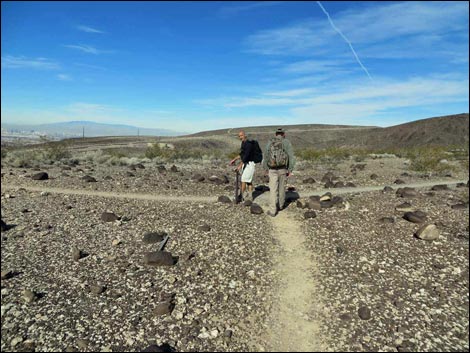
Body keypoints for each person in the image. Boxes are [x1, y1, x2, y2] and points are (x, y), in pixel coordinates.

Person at [262, 128, 295, 217]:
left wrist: (265, 168)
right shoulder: (286, 142)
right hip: (283, 169)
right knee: (281, 188)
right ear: (283, 134)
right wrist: (290, 169)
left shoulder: (270, 142)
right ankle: (280, 205)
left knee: (273, 189)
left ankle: (273, 210)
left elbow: (265, 155)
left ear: (276, 134)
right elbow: (291, 156)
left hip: (272, 169)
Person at [229, 130, 256, 201]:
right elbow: (242, 154)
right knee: (248, 181)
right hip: (246, 163)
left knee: (244, 179)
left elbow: (246, 156)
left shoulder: (249, 144)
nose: (240, 137)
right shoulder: (243, 143)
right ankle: (250, 196)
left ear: (244, 135)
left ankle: (241, 196)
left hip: (250, 163)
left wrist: (240, 165)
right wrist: (234, 159)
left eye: (241, 135)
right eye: (239, 136)